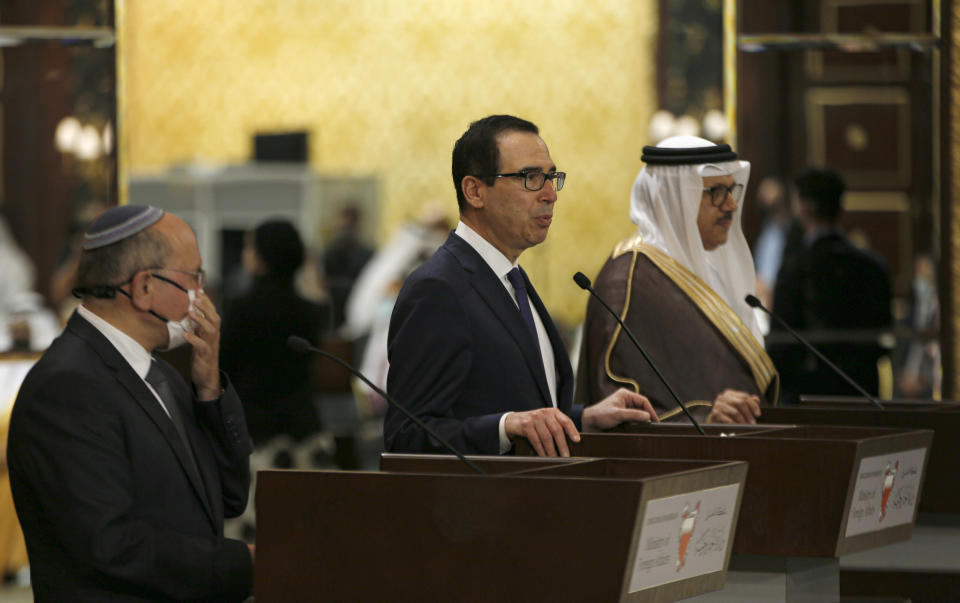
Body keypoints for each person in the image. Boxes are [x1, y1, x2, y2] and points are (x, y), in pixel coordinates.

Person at [8, 205, 253, 601]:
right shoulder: (68, 385)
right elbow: (111, 545)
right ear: (143, 287)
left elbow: (229, 497)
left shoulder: (163, 375)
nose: (201, 296)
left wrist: (211, 392)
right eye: (193, 278)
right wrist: (246, 564)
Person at [384, 115, 657, 458]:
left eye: (551, 177)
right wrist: (503, 428)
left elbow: (522, 407)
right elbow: (406, 436)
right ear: (475, 191)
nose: (549, 195)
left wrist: (584, 418)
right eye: (530, 178)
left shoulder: (511, 279)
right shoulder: (439, 288)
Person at [575, 136, 779, 424]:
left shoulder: (704, 268)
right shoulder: (627, 281)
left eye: (731, 190)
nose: (731, 205)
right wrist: (704, 419)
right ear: (674, 197)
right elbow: (614, 401)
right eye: (716, 192)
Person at [771, 168, 892, 403]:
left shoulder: (796, 269)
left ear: (804, 207)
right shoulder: (872, 265)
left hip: (808, 398)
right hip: (862, 391)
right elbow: (883, 334)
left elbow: (781, 341)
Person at [221, 219, 328, 445]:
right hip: (303, 427)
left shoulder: (238, 309)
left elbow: (224, 371)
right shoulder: (314, 311)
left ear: (261, 257)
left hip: (252, 431)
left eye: (249, 247)